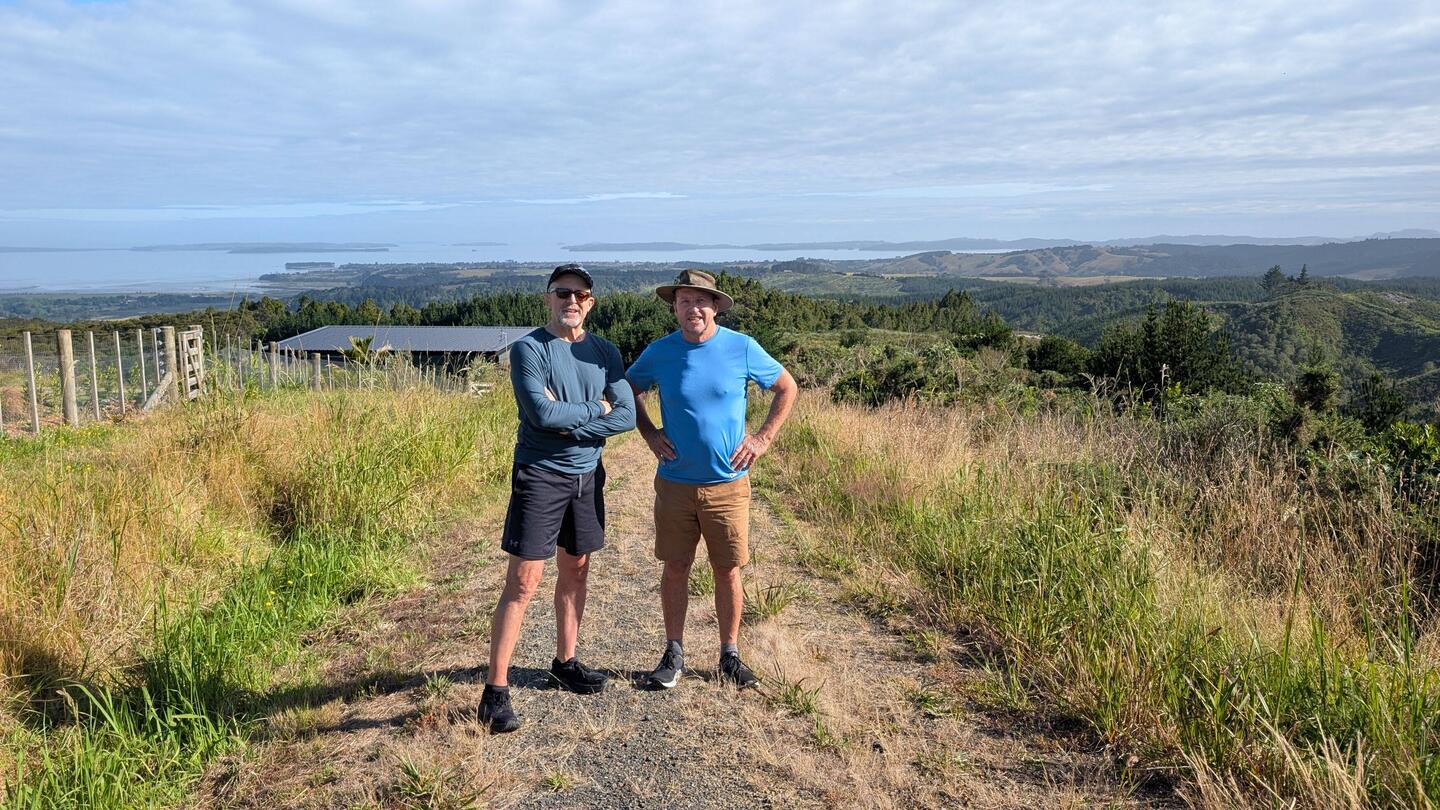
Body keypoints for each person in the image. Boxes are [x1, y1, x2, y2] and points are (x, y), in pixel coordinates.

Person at [477, 263, 635, 733]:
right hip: (542, 476)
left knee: (577, 570)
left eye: (580, 295)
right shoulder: (529, 349)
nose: (571, 301)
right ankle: (495, 691)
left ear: (591, 302)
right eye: (562, 292)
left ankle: (566, 661)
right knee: (523, 582)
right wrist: (595, 409)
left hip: (588, 477)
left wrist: (575, 419)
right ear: (547, 298)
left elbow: (626, 416)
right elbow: (541, 413)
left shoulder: (604, 351)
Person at [626, 269, 798, 690]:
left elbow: (786, 387)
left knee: (727, 570)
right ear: (675, 307)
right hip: (675, 484)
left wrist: (762, 438)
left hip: (728, 485)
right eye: (684, 301)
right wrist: (649, 432)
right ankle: (673, 651)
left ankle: (729, 654)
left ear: (715, 306)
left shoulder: (741, 348)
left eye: (701, 300)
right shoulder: (660, 352)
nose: (693, 309)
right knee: (676, 567)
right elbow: (629, 388)